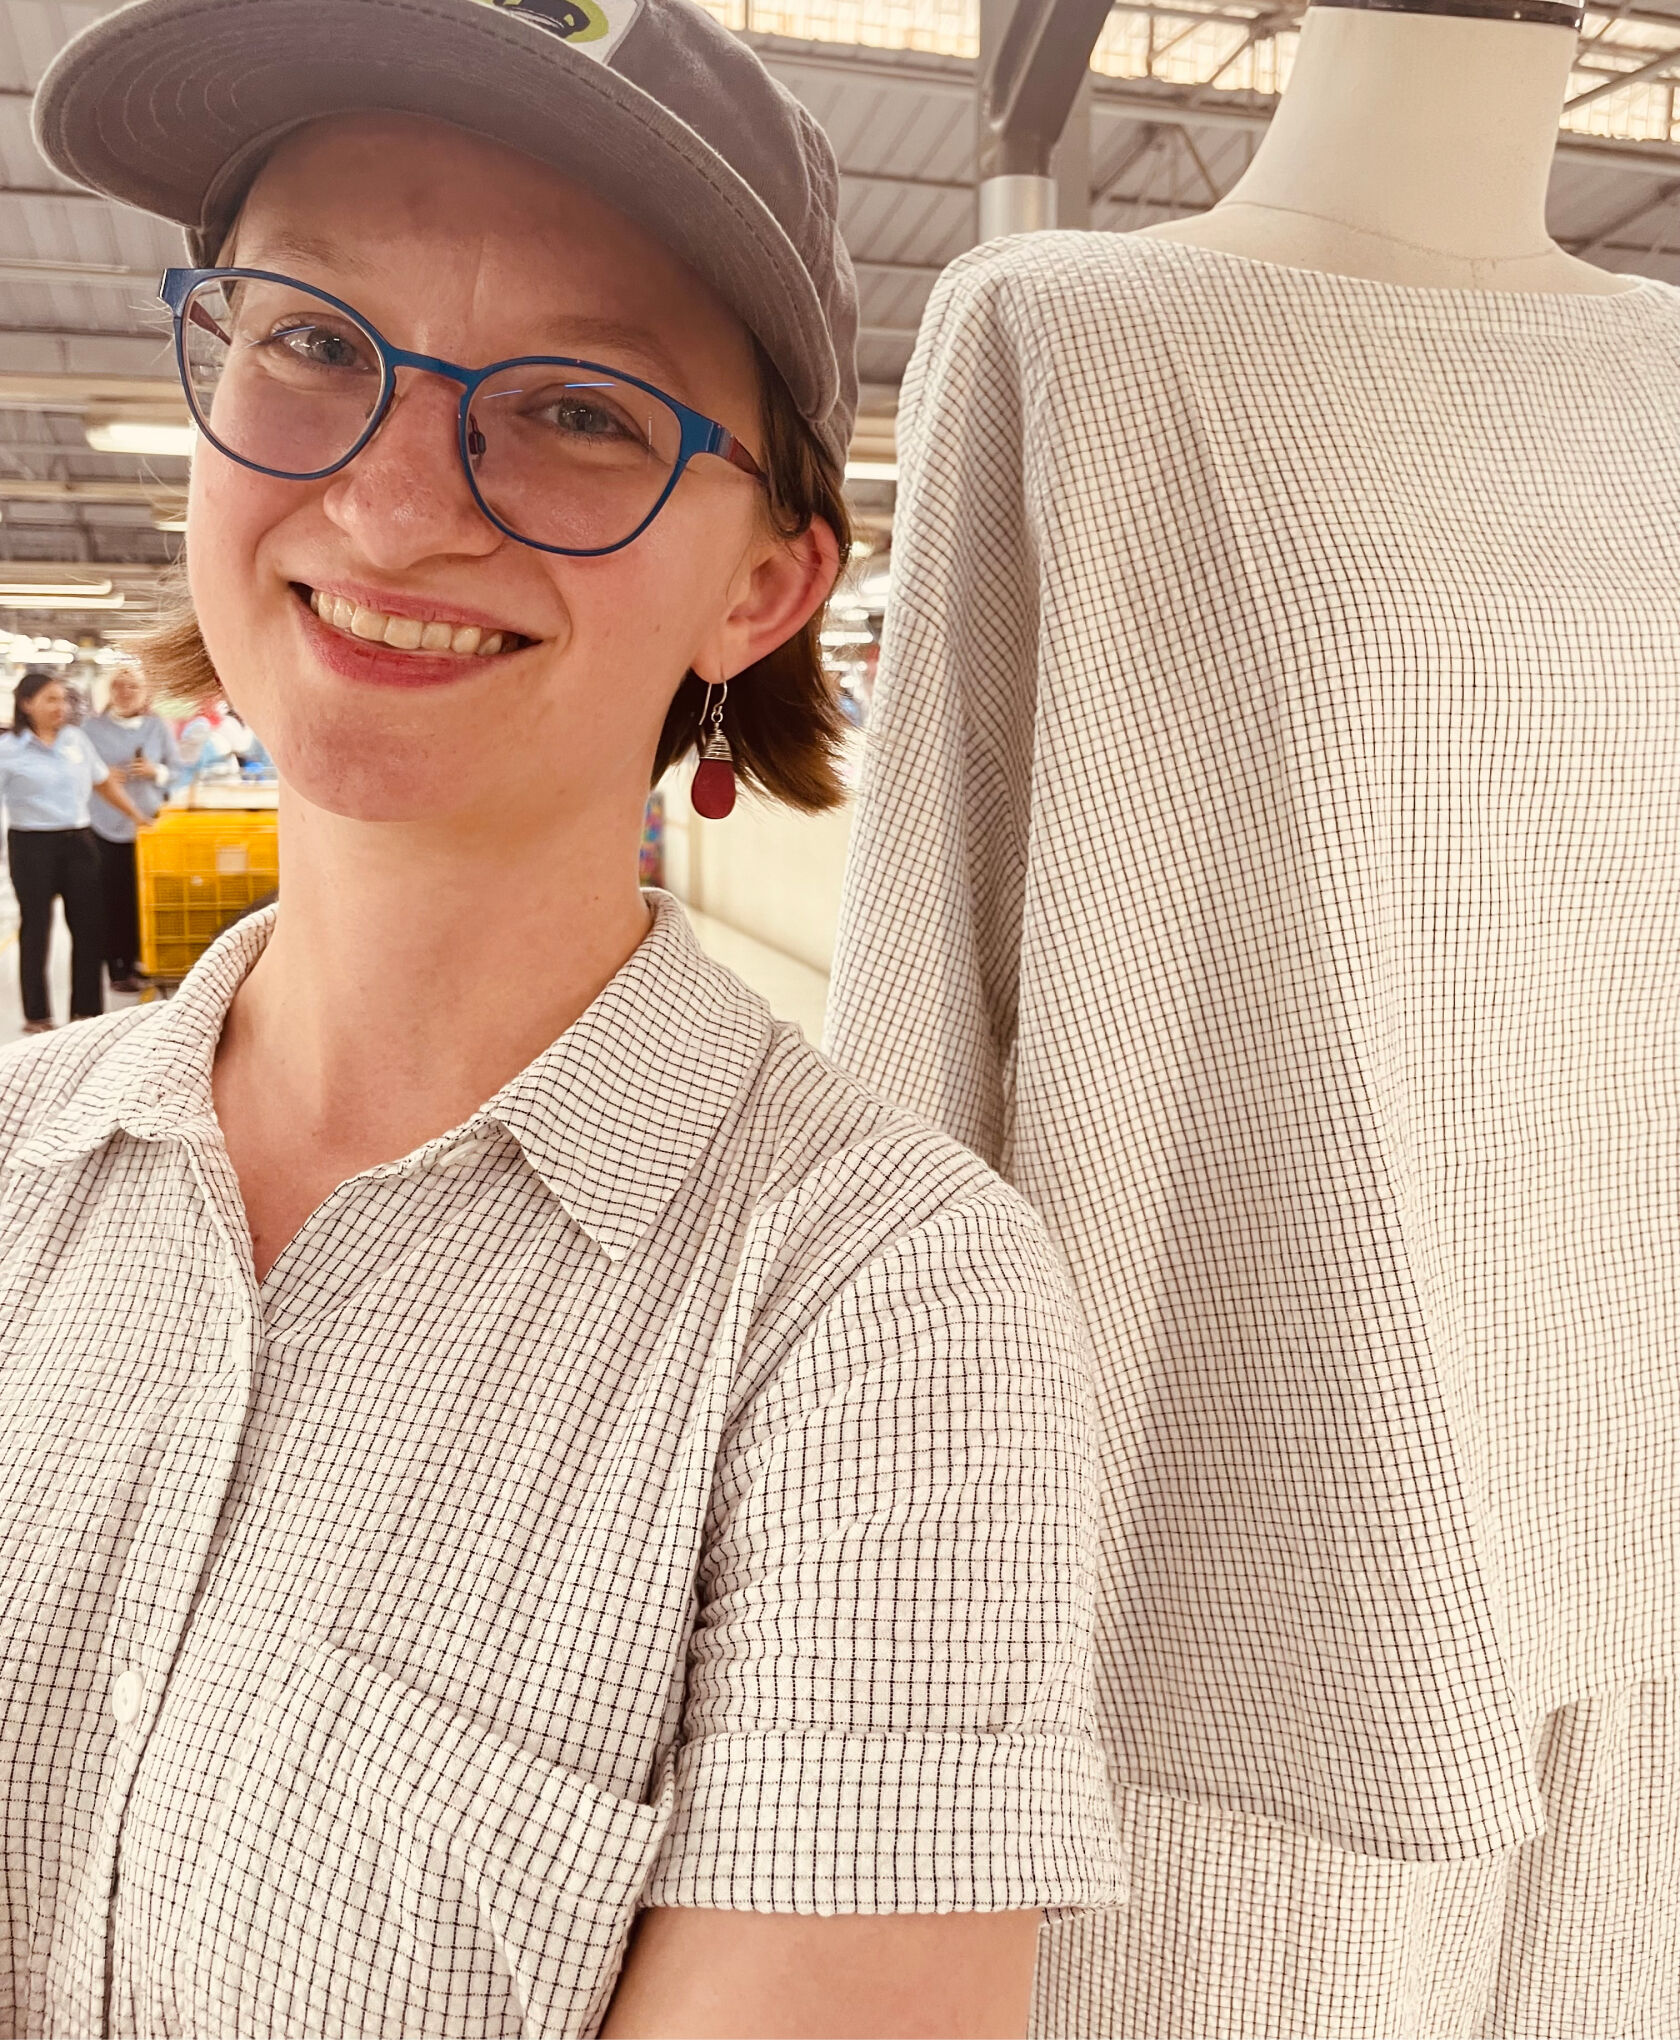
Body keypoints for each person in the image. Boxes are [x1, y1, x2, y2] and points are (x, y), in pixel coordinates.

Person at [4, 2, 1127, 2036]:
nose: (397, 501)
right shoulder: (13, 1166)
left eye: (582, 413)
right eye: (315, 345)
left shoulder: (879, 1315)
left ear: (765, 591)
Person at [0, 667, 148, 1032]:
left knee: (88, 927)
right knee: (36, 928)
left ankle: (86, 1012)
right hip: (31, 844)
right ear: (26, 703)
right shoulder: (8, 750)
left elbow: (103, 784)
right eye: (50, 699)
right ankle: (38, 1014)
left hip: (80, 842)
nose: (60, 706)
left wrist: (138, 817)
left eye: (63, 699)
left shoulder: (76, 741)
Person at [83, 662, 183, 991]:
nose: (125, 693)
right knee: (112, 898)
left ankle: (145, 960)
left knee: (147, 896)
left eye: (133, 687)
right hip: (106, 826)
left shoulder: (158, 728)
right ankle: (118, 966)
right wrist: (99, 777)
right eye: (118, 686)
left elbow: (179, 771)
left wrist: (157, 773)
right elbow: (78, 774)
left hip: (150, 825)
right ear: (108, 692)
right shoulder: (91, 729)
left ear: (146, 693)